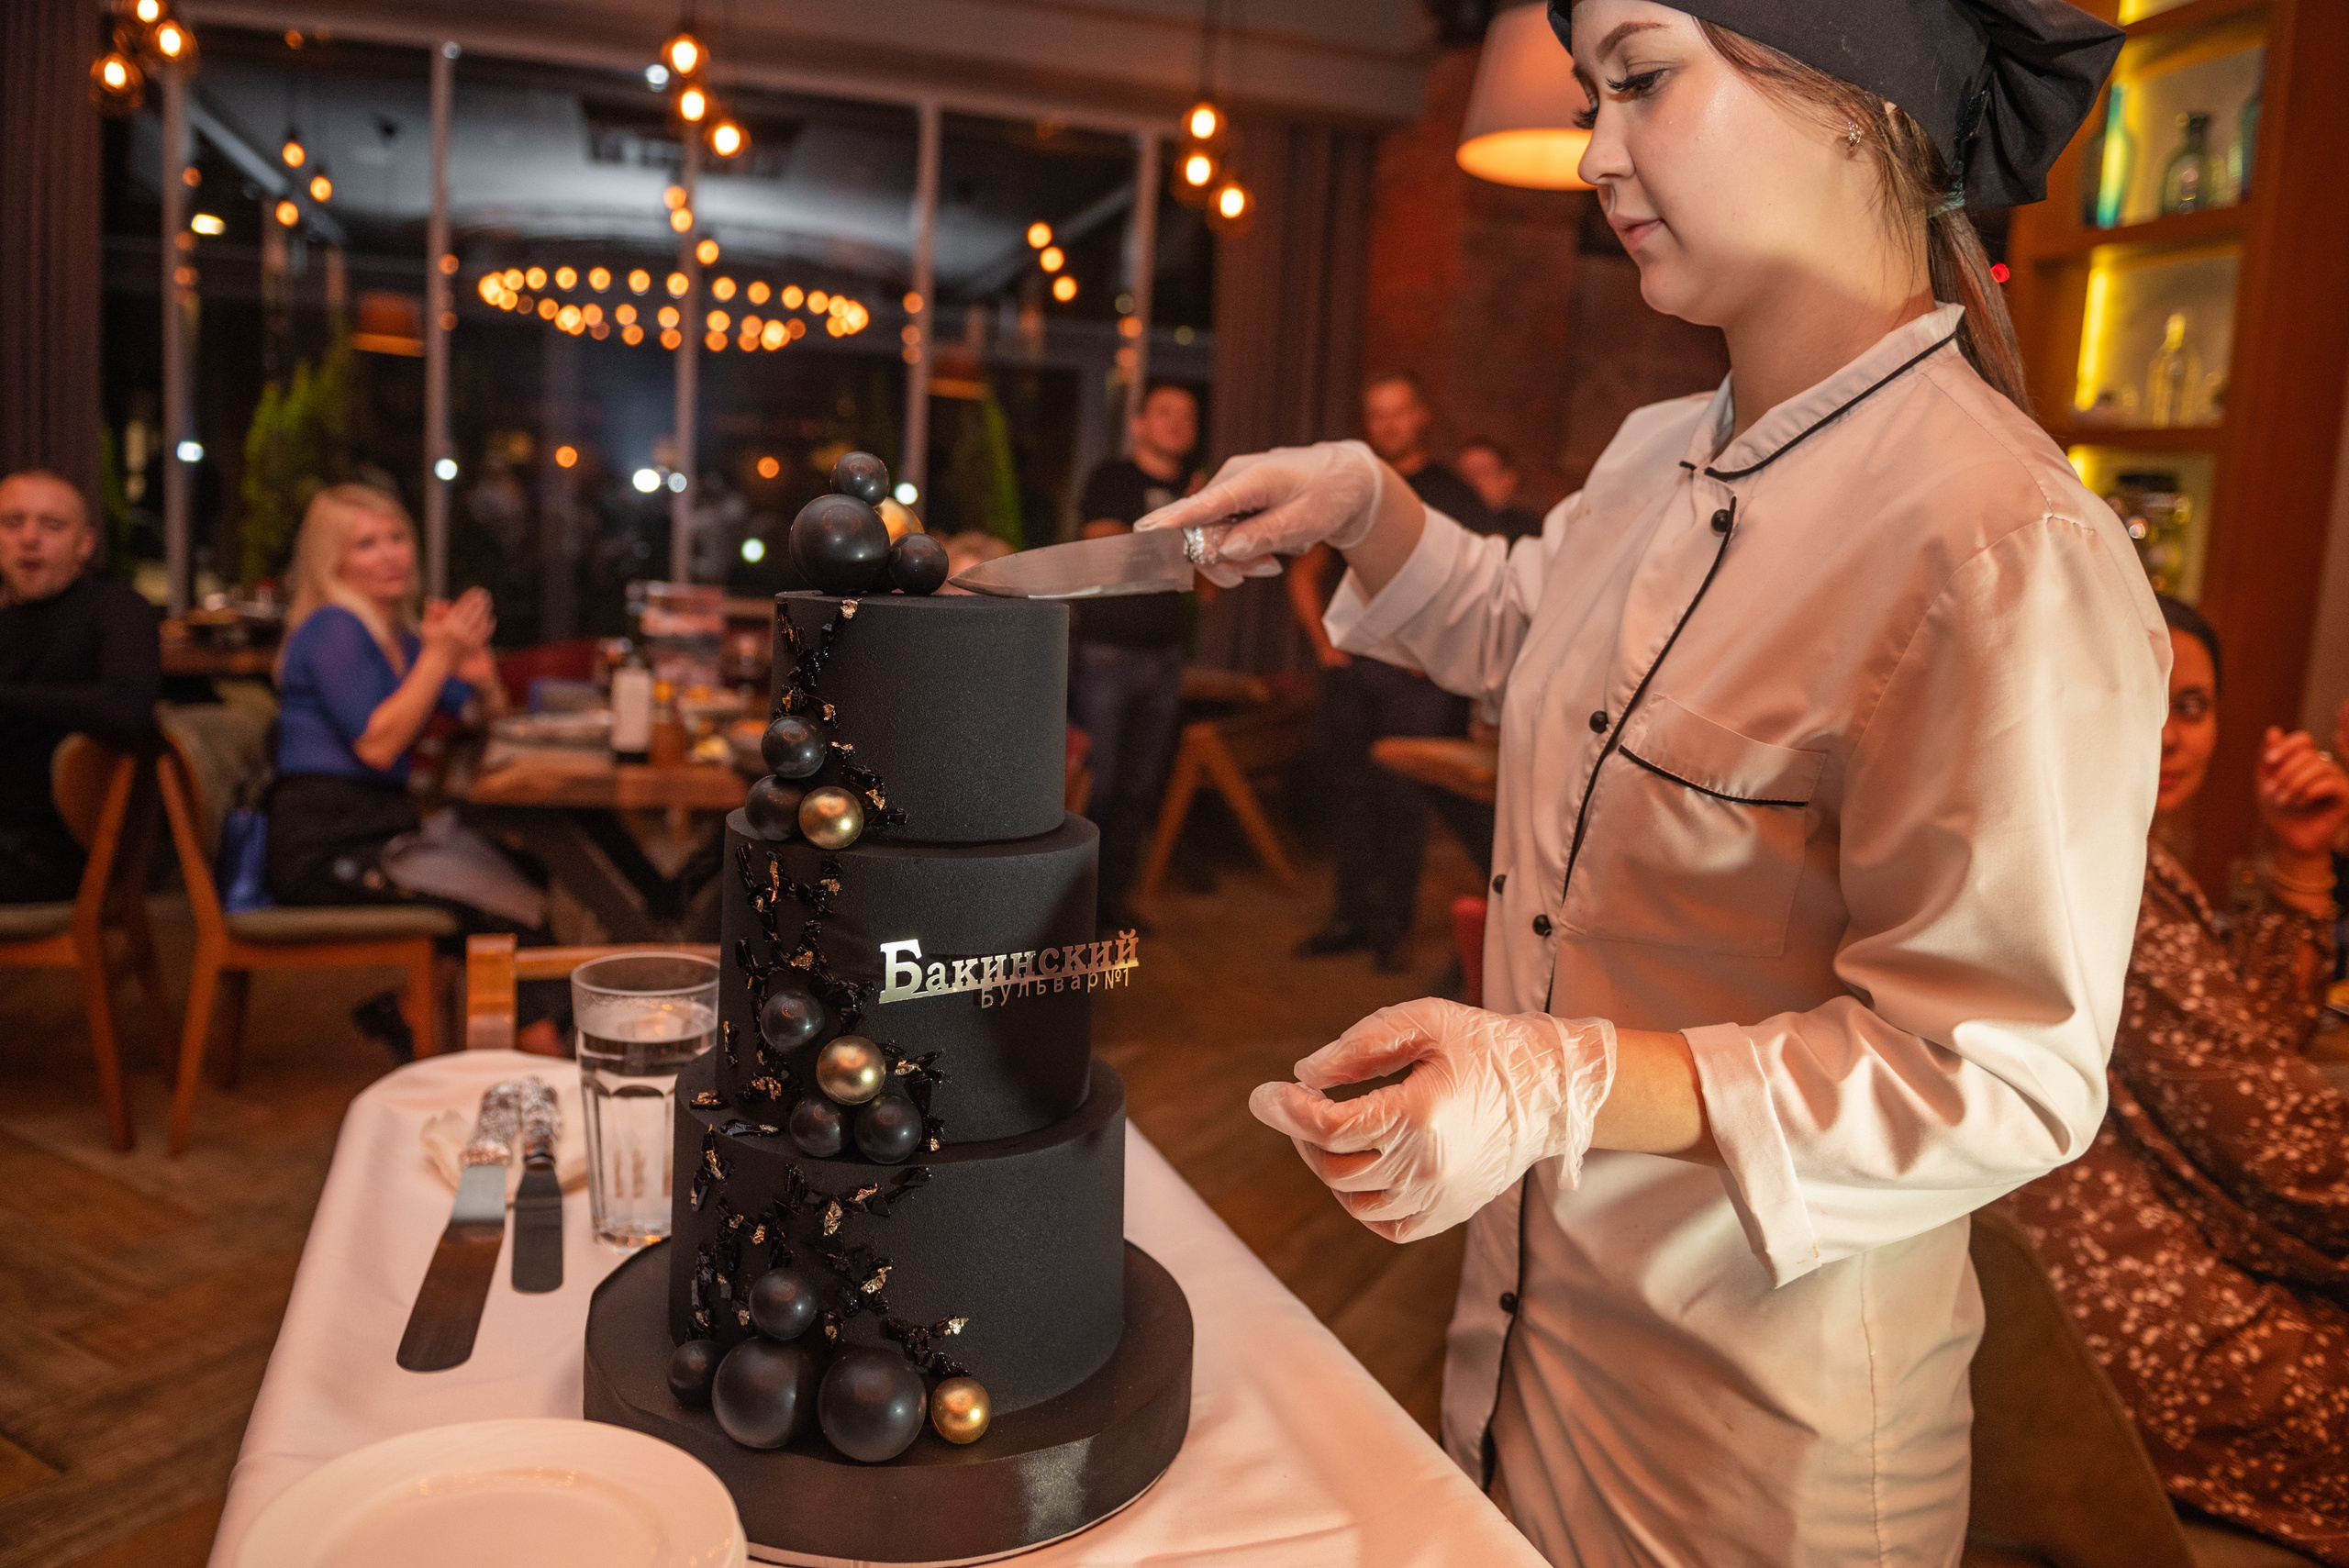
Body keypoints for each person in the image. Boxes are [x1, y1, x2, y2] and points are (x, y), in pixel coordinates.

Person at [1139, 2, 2149, 1562]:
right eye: (1592, 94)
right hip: (1526, 1339)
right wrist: (1367, 504)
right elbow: (1537, 640)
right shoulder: (1653, 455)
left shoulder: (1999, 546)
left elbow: (1997, 1075)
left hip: (1760, 1447)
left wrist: (1569, 1077)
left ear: (1855, 97)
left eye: (1643, 78)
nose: (1596, 152)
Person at [2002, 597, 2349, 1567]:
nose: (2166, 729)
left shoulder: (2097, 850)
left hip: (2097, 1304)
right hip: (2132, 1326)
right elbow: (2294, 1159)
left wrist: (2297, 862)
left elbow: (2237, 1063)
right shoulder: (2104, 871)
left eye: (2189, 703)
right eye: (2138, 694)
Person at [267, 484, 553, 1053]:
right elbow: (378, 745)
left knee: (521, 870)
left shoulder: (397, 636)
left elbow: (477, 714)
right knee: (503, 898)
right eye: (366, 544)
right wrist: (441, 655)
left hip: (382, 830)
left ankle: (412, 1011)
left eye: (397, 537)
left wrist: (479, 673)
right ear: (334, 562)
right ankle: (543, 1051)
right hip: (324, 845)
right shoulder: (332, 630)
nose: (391, 554)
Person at [1287, 374, 1494, 973]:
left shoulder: (1450, 492)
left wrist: (1437, 653)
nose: (1388, 424)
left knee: (1403, 799)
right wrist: (1323, 641)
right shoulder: (1358, 490)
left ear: (1420, 416)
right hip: (1354, 672)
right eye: (1376, 415)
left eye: (1398, 413)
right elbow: (1306, 570)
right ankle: (1349, 917)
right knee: (1351, 797)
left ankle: (1392, 927)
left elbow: (1479, 587)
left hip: (1416, 678)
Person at [1066, 383, 1202, 933]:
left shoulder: (1196, 492)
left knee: (1140, 789)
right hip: (1106, 657)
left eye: (1188, 414)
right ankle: (1070, 911)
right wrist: (1188, 525)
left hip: (1165, 658)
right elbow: (1108, 553)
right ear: (1141, 423)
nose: (1177, 423)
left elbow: (1206, 585)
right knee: (1097, 786)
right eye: (1164, 413)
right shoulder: (1113, 479)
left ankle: (1111, 907)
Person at [0, 470, 160, 902]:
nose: (29, 538)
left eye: (51, 526)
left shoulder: (116, 610)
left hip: (56, 847)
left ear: (85, 544)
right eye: (12, 523)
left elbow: (130, 708)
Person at [1456, 439, 1546, 544]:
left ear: (1507, 479)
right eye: (1463, 475)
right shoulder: (1451, 524)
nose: (1469, 481)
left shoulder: (1527, 530)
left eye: (1480, 472)